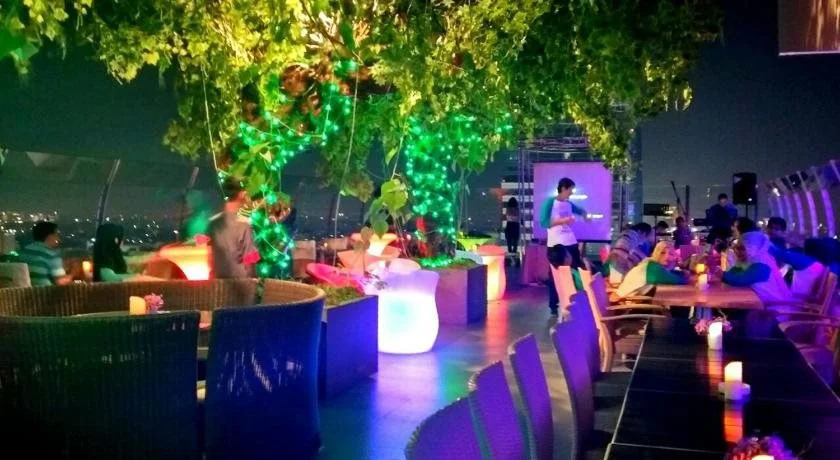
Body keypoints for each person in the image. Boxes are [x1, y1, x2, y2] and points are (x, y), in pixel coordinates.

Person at [539, 177, 588, 315]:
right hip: (556, 244)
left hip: (571, 242)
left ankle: (577, 302)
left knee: (578, 272)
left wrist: (585, 215)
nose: (571, 193)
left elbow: (581, 211)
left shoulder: (568, 203)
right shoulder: (550, 202)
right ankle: (554, 305)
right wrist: (562, 221)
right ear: (563, 188)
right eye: (570, 190)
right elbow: (544, 223)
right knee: (555, 275)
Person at [209, 178, 260, 278]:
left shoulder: (213, 222)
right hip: (239, 282)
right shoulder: (244, 224)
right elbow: (250, 258)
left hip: (218, 281)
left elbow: (210, 256)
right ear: (241, 194)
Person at [722, 232, 792, 305]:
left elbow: (742, 279)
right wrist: (723, 275)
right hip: (759, 305)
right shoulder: (747, 261)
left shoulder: (762, 264)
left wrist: (722, 275)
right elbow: (734, 273)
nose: (737, 252)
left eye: (742, 248)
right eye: (736, 248)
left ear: (753, 249)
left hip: (774, 308)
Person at [616, 241, 688, 298]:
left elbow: (668, 273)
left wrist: (676, 267)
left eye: (671, 254)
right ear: (656, 253)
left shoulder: (650, 263)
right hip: (629, 303)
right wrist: (685, 275)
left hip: (630, 298)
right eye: (662, 253)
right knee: (680, 299)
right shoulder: (653, 268)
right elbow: (679, 280)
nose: (666, 256)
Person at [19, 221, 73, 286]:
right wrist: (73, 273)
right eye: (56, 235)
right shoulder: (51, 255)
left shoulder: (23, 251)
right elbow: (61, 282)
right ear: (50, 236)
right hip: (44, 291)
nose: (58, 239)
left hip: (23, 291)